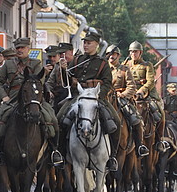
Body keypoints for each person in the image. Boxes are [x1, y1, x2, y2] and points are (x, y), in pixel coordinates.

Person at [0, 37, 62, 165]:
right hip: (13, 98)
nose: (20, 50)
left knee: (52, 119)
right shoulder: (9, 64)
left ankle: (54, 151)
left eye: (22, 48)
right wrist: (4, 96)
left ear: (28, 49)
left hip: (33, 98)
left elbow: (39, 82)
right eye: (17, 48)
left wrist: (37, 98)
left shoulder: (36, 63)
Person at [58, 30, 120, 172]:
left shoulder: (103, 63)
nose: (85, 45)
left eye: (88, 43)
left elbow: (107, 83)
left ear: (96, 45)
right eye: (84, 42)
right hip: (78, 97)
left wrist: (97, 95)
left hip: (96, 98)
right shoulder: (77, 60)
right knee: (59, 118)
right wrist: (63, 70)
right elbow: (67, 81)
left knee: (116, 121)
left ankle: (112, 158)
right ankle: (60, 153)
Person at [106, 44, 149, 157]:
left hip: (121, 99)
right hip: (105, 98)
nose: (111, 56)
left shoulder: (124, 69)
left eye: (113, 54)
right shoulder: (103, 69)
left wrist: (123, 95)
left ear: (118, 56)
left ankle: (140, 146)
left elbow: (132, 87)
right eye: (109, 54)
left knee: (135, 119)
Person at [125, 41, 166, 151]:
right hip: (129, 93)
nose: (133, 54)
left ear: (140, 52)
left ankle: (159, 141)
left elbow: (150, 82)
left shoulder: (147, 65)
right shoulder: (125, 65)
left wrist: (141, 91)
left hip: (145, 95)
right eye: (131, 52)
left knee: (159, 113)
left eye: (135, 52)